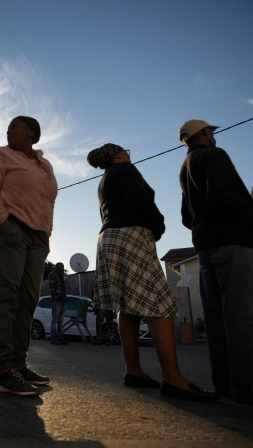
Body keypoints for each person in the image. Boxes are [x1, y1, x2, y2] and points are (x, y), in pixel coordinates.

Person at [87, 143, 219, 401]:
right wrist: (158, 226)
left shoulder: (104, 179)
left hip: (109, 237)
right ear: (117, 155)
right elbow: (141, 201)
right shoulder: (124, 169)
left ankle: (134, 371)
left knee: (127, 305)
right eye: (126, 150)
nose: (129, 153)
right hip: (131, 234)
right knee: (160, 302)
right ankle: (173, 379)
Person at [0, 116, 58, 396]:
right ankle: (2, 371)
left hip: (37, 237)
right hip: (9, 229)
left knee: (27, 299)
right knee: (7, 293)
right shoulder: (1, 154)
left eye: (15, 126)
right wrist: (4, 220)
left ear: (32, 133)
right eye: (8, 126)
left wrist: (46, 233)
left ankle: (19, 364)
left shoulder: (44, 165)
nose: (8, 129)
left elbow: (49, 200)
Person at [178, 119, 253, 406]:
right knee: (241, 317)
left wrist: (204, 226)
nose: (213, 135)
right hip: (232, 242)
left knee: (216, 320)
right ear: (202, 134)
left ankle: (225, 385)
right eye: (210, 131)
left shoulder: (185, 167)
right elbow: (222, 194)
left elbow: (186, 216)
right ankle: (247, 390)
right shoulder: (214, 155)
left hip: (205, 248)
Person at [48, 262, 68, 345]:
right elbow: (51, 288)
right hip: (57, 301)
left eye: (63, 266)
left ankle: (60, 338)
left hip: (63, 300)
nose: (63, 268)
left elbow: (63, 288)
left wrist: (65, 298)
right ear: (57, 267)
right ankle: (53, 338)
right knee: (55, 320)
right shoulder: (52, 275)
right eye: (61, 266)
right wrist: (56, 298)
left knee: (60, 321)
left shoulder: (61, 275)